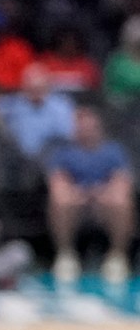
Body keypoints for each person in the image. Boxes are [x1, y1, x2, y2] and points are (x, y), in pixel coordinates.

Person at [47, 104, 133, 287]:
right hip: (76, 203)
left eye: (90, 127)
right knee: (61, 200)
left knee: (121, 200)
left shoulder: (113, 151)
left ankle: (117, 256)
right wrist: (78, 194)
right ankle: (66, 255)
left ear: (98, 128)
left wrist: (102, 193)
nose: (86, 131)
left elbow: (122, 181)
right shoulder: (64, 152)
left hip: (104, 204)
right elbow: (57, 181)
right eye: (82, 127)